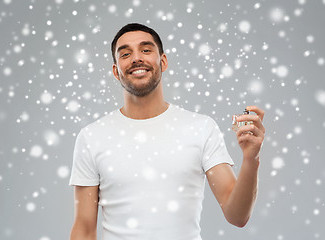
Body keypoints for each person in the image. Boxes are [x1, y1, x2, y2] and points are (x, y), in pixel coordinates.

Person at [69, 23, 265, 240]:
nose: (136, 58)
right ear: (116, 71)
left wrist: (250, 158)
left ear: (162, 61)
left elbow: (236, 215)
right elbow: (84, 230)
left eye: (146, 50)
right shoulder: (92, 137)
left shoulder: (201, 128)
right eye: (125, 54)